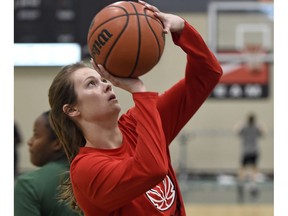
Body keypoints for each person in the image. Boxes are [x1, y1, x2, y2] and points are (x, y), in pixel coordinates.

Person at [48, 1, 223, 215]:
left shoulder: (137, 124)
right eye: (91, 84)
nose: (106, 84)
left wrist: (182, 29)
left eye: (102, 79)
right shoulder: (86, 169)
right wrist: (139, 90)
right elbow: (152, 169)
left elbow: (207, 74)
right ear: (72, 110)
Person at [14, 111, 79, 216]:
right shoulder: (90, 174)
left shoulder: (27, 185)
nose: (29, 141)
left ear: (57, 143)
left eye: (36, 135)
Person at [235, 113, 265, 201]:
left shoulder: (244, 127)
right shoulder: (257, 127)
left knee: (242, 168)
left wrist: (239, 125)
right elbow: (263, 133)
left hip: (246, 151)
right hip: (254, 151)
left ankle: (241, 183)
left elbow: (237, 132)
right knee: (254, 168)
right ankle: (253, 184)